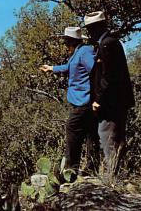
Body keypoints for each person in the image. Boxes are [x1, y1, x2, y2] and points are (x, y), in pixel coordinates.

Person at [40, 27, 99, 180]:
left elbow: (95, 70)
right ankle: (91, 169)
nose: (65, 45)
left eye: (66, 42)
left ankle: (70, 171)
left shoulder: (85, 51)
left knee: (73, 131)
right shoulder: (78, 53)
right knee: (90, 134)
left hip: (84, 102)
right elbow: (70, 67)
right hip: (84, 102)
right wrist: (51, 68)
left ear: (71, 41)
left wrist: (96, 98)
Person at [83, 11, 135, 178]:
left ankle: (111, 179)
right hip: (119, 101)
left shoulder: (106, 44)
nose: (89, 32)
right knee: (117, 139)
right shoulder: (111, 42)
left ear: (96, 27)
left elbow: (108, 76)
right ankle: (118, 175)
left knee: (108, 138)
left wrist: (99, 100)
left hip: (111, 103)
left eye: (90, 28)